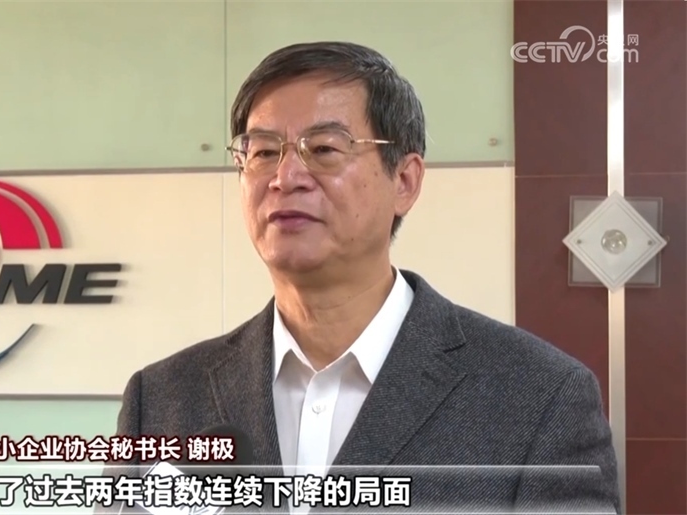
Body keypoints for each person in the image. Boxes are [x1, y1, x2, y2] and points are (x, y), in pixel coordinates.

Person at [110, 42, 619, 513]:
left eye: (324, 149)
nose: (285, 177)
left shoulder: (538, 397)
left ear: (405, 181)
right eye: (263, 152)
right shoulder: (162, 399)